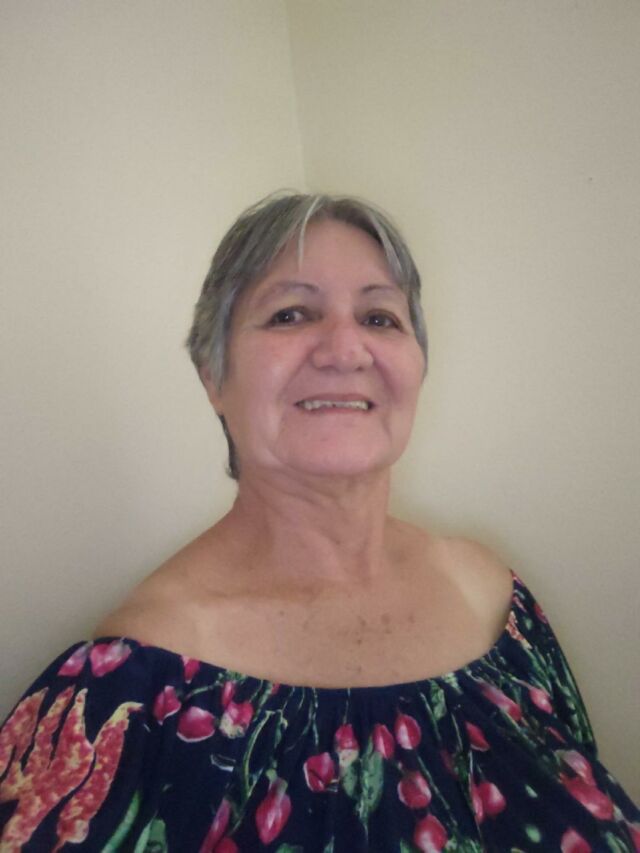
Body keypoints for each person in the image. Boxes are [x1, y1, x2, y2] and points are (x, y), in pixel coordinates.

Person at [0, 192, 637, 852]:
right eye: (291, 314)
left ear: (418, 366)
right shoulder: (127, 697)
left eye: (380, 317)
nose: (345, 349)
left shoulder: (493, 598)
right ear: (212, 373)